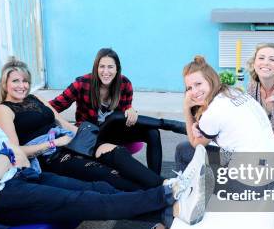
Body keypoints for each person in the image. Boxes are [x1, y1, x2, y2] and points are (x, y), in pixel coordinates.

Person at [0, 70, 207, 229]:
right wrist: (4, 157)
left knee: (98, 187)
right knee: (80, 199)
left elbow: (16, 155)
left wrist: (4, 157)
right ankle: (168, 192)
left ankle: (174, 210)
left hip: (23, 177)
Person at [0, 58, 170, 193]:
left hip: (70, 142)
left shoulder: (35, 98)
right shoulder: (3, 109)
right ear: (5, 83)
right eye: (16, 81)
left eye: (25, 81)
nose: (22, 86)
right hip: (51, 155)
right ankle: (160, 194)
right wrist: (53, 143)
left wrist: (91, 138)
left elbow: (62, 123)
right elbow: (15, 151)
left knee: (116, 153)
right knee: (107, 173)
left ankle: (165, 185)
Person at [49, 48, 184, 175]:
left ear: (117, 69)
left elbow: (125, 114)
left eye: (110, 67)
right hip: (91, 136)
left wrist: (131, 111)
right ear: (96, 68)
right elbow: (54, 106)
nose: (105, 72)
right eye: (101, 66)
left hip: (115, 133)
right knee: (114, 117)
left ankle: (155, 178)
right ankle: (167, 124)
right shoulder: (82, 84)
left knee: (152, 132)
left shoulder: (124, 84)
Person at [175, 55, 274, 188]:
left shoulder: (213, 112)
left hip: (249, 185)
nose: (194, 92)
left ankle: (184, 196)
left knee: (183, 150)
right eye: (189, 88)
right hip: (270, 174)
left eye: (198, 84)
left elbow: (196, 144)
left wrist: (186, 108)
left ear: (210, 80)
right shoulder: (233, 92)